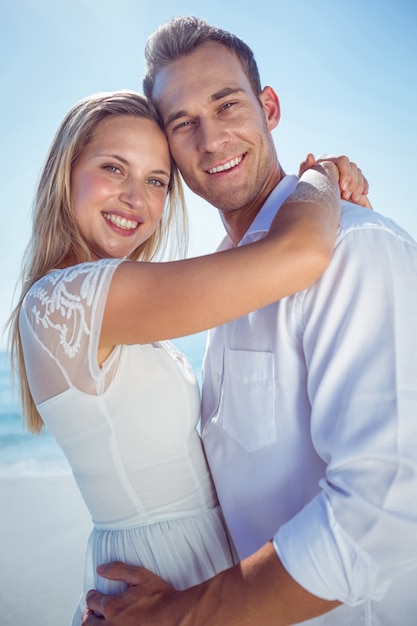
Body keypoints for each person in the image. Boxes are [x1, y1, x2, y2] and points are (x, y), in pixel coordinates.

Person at [82, 17, 417, 626]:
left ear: (269, 107)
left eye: (227, 104)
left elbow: (386, 510)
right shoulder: (221, 283)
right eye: (183, 124)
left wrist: (181, 614)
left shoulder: (358, 248)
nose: (210, 139)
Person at [8, 90, 364, 625]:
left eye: (156, 181)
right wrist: (322, 178)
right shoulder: (72, 299)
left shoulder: (99, 302)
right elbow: (301, 254)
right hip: (163, 575)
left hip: (185, 569)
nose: (136, 198)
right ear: (66, 173)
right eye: (113, 168)